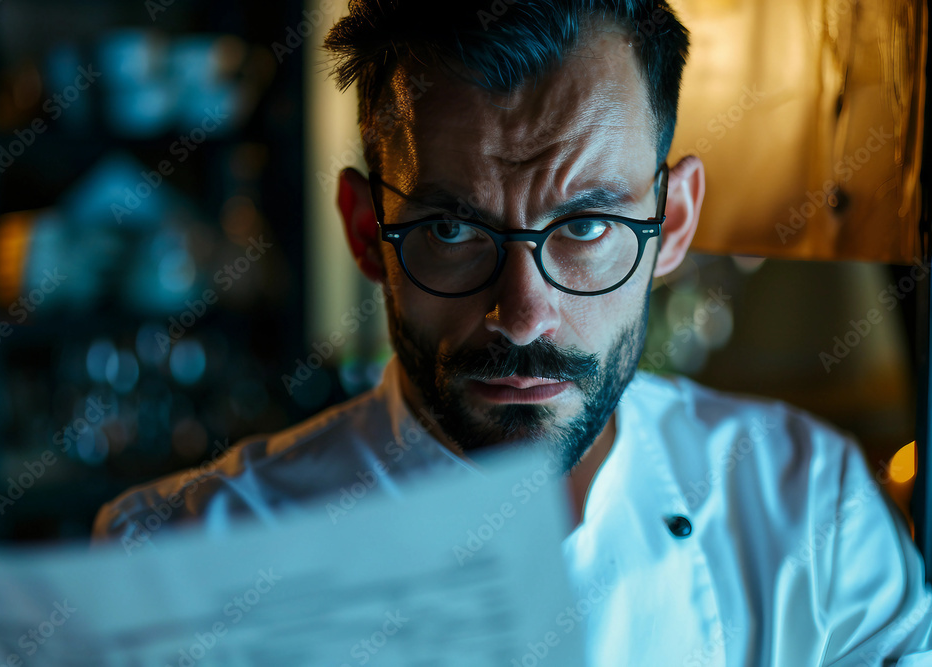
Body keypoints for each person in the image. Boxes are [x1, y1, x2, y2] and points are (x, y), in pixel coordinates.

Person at [93, 1, 932, 663]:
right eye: (454, 231)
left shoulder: (809, 510)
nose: (524, 313)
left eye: (588, 226)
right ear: (364, 231)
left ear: (672, 223)